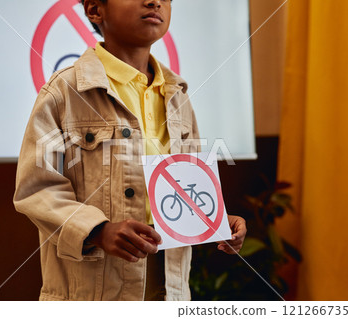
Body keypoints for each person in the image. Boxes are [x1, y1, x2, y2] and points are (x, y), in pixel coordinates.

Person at [14, 0, 246, 301]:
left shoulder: (178, 96)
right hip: (93, 291)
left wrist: (212, 219)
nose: (155, 2)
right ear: (96, 10)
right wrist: (97, 230)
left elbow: (187, 186)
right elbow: (36, 190)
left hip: (169, 288)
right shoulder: (64, 92)